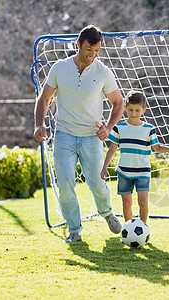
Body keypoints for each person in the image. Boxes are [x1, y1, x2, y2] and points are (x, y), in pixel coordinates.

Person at [33, 25, 125, 243]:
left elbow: (118, 102)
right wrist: (39, 124)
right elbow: (44, 98)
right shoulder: (60, 68)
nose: (92, 55)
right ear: (78, 45)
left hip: (91, 137)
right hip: (64, 135)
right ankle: (74, 229)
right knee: (65, 184)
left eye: (96, 51)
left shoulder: (103, 72)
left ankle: (107, 213)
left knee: (97, 183)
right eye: (88, 49)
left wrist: (108, 127)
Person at [100, 90, 169, 224]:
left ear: (144, 110)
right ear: (125, 108)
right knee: (127, 203)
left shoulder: (149, 129)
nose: (133, 113)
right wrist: (104, 167)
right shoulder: (118, 128)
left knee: (143, 202)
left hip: (142, 172)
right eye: (130, 110)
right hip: (124, 172)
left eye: (137, 110)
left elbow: (157, 148)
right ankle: (128, 229)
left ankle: (143, 228)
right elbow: (112, 149)